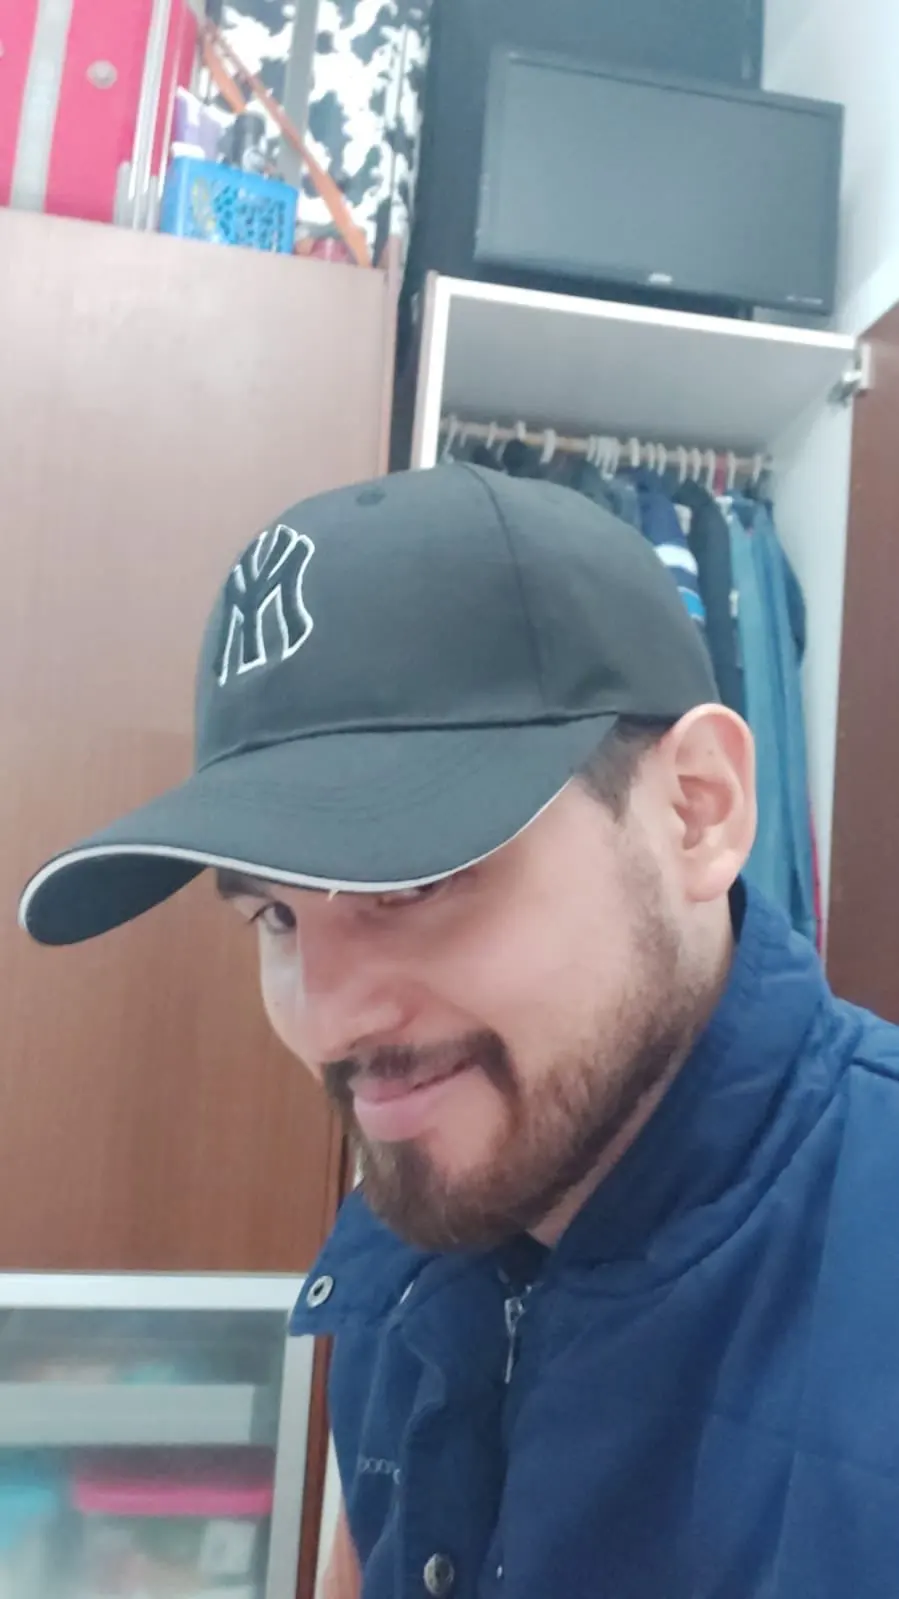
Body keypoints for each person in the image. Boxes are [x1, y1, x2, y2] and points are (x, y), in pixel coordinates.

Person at [19, 465, 899, 1599]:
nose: (327, 1021)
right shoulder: (427, 1197)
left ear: (695, 809)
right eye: (275, 916)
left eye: (414, 883)